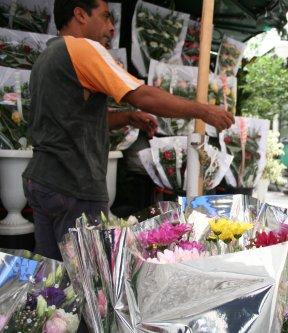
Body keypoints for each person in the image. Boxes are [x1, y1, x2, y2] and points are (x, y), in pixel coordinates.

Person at [23, 0, 234, 261]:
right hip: (73, 184)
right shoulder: (82, 48)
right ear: (80, 15)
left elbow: (71, 120)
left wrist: (127, 118)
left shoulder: (46, 57)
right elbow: (141, 94)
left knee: (51, 275)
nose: (111, 27)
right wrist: (203, 110)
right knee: (86, 278)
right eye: (105, 17)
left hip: (43, 182)